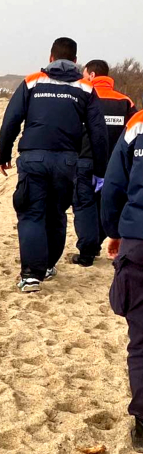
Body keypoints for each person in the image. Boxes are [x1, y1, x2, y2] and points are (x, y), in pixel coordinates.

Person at [0, 37, 108, 292]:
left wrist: (3, 155)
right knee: (56, 213)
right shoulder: (85, 88)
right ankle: (47, 266)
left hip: (33, 158)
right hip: (67, 161)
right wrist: (100, 171)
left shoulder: (32, 81)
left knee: (32, 212)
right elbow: (98, 133)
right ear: (76, 61)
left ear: (50, 58)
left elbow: (11, 120)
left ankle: (31, 275)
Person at [102, 110, 143, 451]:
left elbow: (113, 185)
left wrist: (114, 231)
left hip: (139, 243)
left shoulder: (138, 125)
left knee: (142, 342)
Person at [72, 60, 137, 266]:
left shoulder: (82, 97)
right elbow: (135, 134)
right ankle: (97, 242)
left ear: (91, 75)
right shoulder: (125, 101)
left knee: (83, 205)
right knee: (105, 204)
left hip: (84, 159)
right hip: (114, 166)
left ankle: (87, 251)